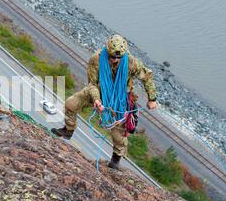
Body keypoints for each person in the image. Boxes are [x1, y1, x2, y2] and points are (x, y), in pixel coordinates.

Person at [51, 34, 157, 170]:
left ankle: (116, 159)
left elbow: (147, 76)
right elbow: (92, 84)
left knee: (118, 134)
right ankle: (68, 130)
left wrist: (152, 98)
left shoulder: (131, 62)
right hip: (98, 91)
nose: (115, 60)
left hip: (120, 98)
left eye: (118, 58)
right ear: (107, 51)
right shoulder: (96, 59)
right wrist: (96, 99)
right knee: (71, 103)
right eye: (112, 57)